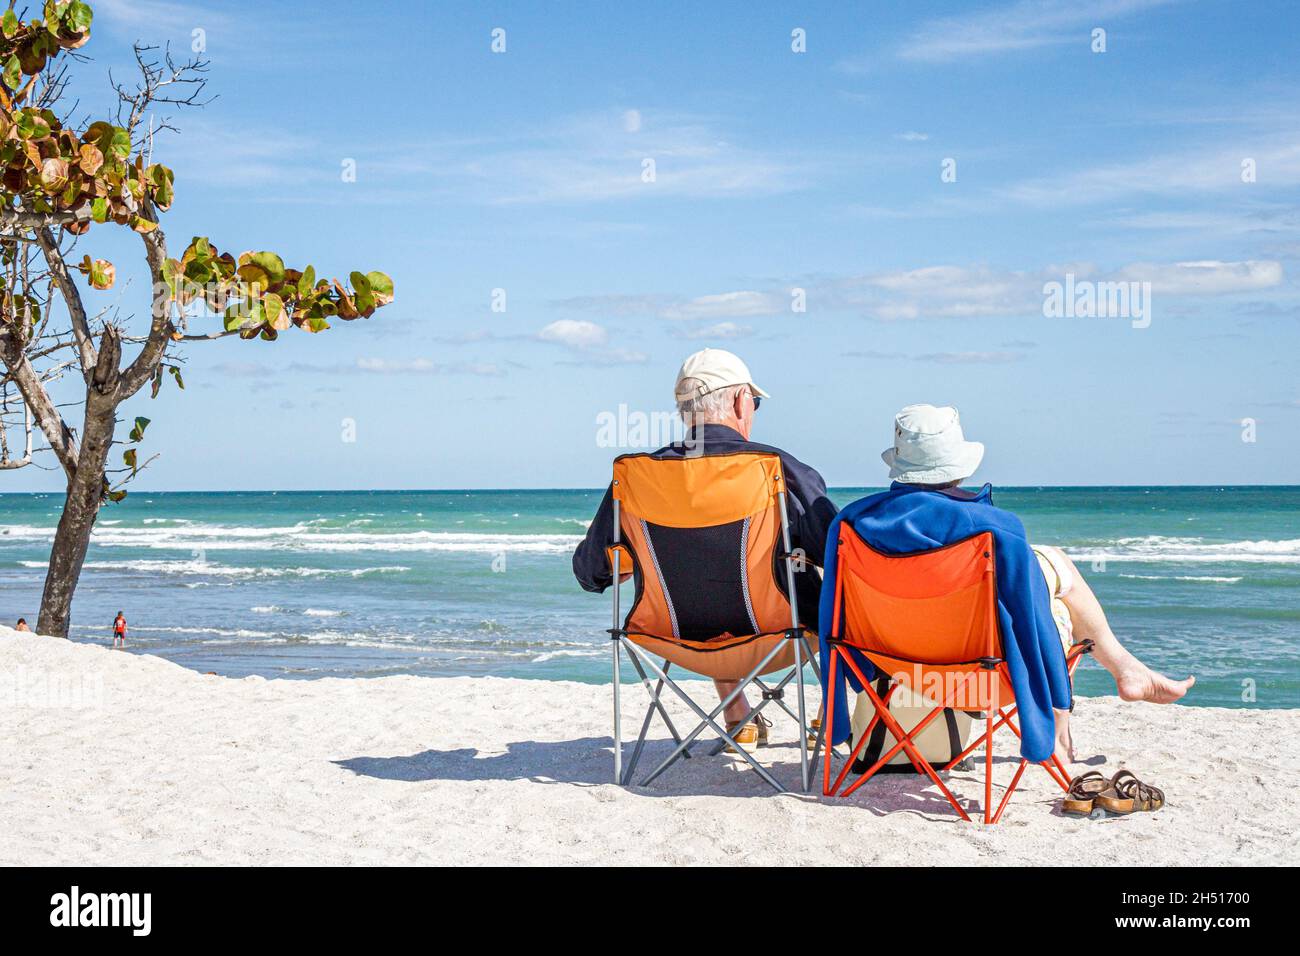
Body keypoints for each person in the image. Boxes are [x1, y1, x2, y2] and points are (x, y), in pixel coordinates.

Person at [820, 404, 1194, 767]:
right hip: (981, 679)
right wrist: (1054, 705)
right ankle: (1089, 707)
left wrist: (836, 698)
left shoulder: (851, 523)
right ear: (959, 466)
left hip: (890, 666)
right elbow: (1033, 624)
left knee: (1049, 572)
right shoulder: (994, 527)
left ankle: (1125, 672)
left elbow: (832, 614)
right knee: (1057, 603)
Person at [574, 348, 838, 749]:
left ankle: (738, 715)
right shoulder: (774, 467)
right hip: (784, 635)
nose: (754, 410)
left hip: (677, 638)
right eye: (756, 402)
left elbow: (590, 571)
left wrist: (627, 563)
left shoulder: (638, 476)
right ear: (738, 401)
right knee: (827, 583)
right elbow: (838, 555)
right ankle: (833, 712)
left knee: (705, 574)